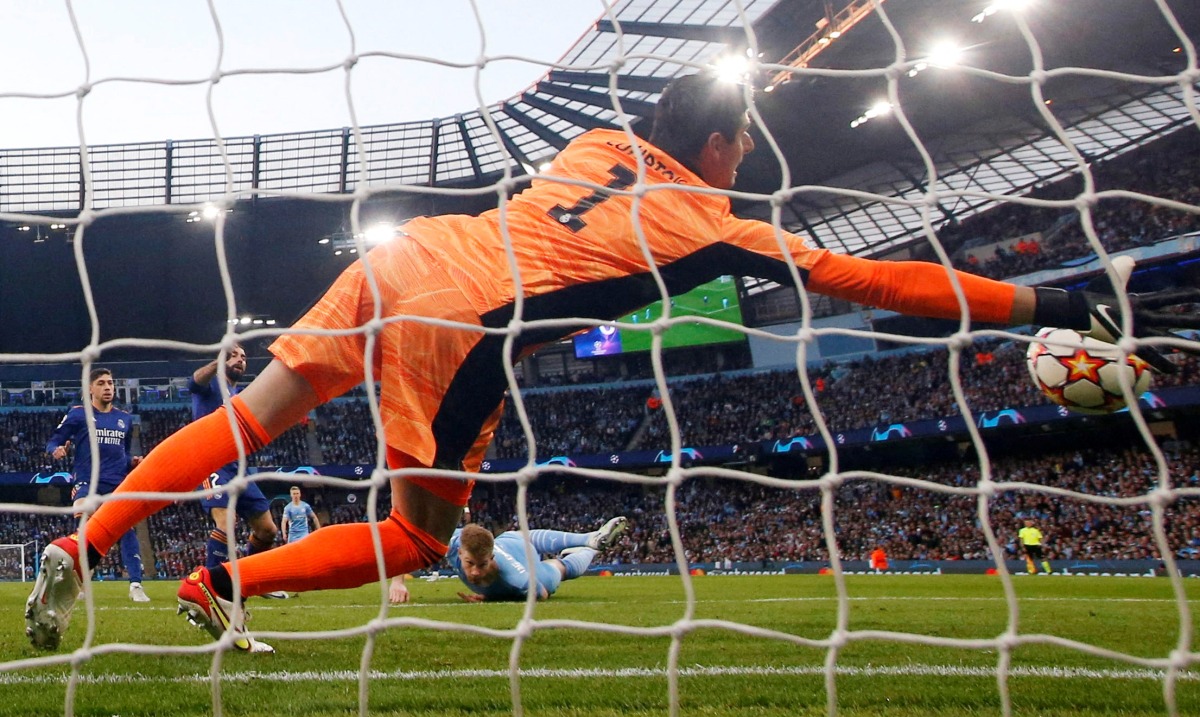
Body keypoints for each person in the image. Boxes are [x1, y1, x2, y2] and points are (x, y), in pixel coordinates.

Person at [25, 72, 1199, 653]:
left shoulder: (595, 139)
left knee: (254, 414)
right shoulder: (722, 223)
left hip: (414, 253)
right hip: (470, 320)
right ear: (726, 143)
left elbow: (635, 161)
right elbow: (876, 282)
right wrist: (1055, 293)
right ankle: (223, 584)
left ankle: (83, 542)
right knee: (418, 537)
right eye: (741, 146)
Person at [43, 368, 149, 603]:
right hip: (87, 481)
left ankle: (136, 585)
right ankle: (80, 579)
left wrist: (133, 461)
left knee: (126, 529)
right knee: (84, 518)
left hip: (116, 483)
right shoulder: (78, 414)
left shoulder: (124, 418)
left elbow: (123, 452)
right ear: (90, 389)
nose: (108, 387)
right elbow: (53, 440)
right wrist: (56, 450)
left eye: (110, 383)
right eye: (101, 383)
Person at [188, 347, 281, 570]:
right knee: (226, 523)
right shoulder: (213, 382)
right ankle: (208, 586)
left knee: (268, 529)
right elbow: (193, 383)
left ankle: (249, 577)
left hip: (238, 467)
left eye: (244, 357)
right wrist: (216, 362)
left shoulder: (239, 394)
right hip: (212, 462)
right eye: (234, 356)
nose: (240, 360)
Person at [433, 517, 626, 603]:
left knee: (561, 568)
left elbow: (540, 594)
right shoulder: (450, 542)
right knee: (523, 535)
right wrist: (400, 582)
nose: (475, 572)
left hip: (528, 565)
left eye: (482, 564)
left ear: (491, 558)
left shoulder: (516, 578)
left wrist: (493, 597)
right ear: (459, 553)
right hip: (512, 540)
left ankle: (591, 548)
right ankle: (589, 539)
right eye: (470, 563)